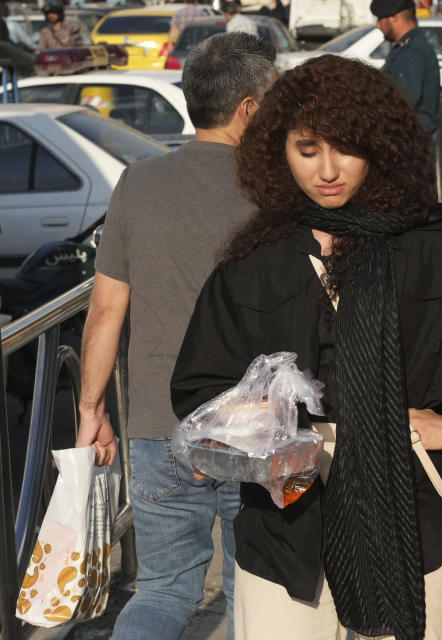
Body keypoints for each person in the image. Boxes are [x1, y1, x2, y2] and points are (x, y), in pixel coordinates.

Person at [169, 55, 442, 640]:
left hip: (411, 503)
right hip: (285, 521)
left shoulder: (441, 242)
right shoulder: (254, 262)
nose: (328, 170)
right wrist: (257, 432)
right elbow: (198, 388)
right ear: (278, 151)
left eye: (347, 148)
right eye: (307, 149)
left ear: (380, 147)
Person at [74, 33, 277, 640]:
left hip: (161, 422)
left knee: (164, 589)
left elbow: (105, 310)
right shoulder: (275, 189)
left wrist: (91, 409)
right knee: (260, 591)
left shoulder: (138, 182)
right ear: (247, 106)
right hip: (258, 423)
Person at [373, 0, 442, 134]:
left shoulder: (410, 50)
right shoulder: (411, 45)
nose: (377, 25)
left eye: (380, 18)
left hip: (408, 137)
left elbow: (402, 100)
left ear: (395, 17)